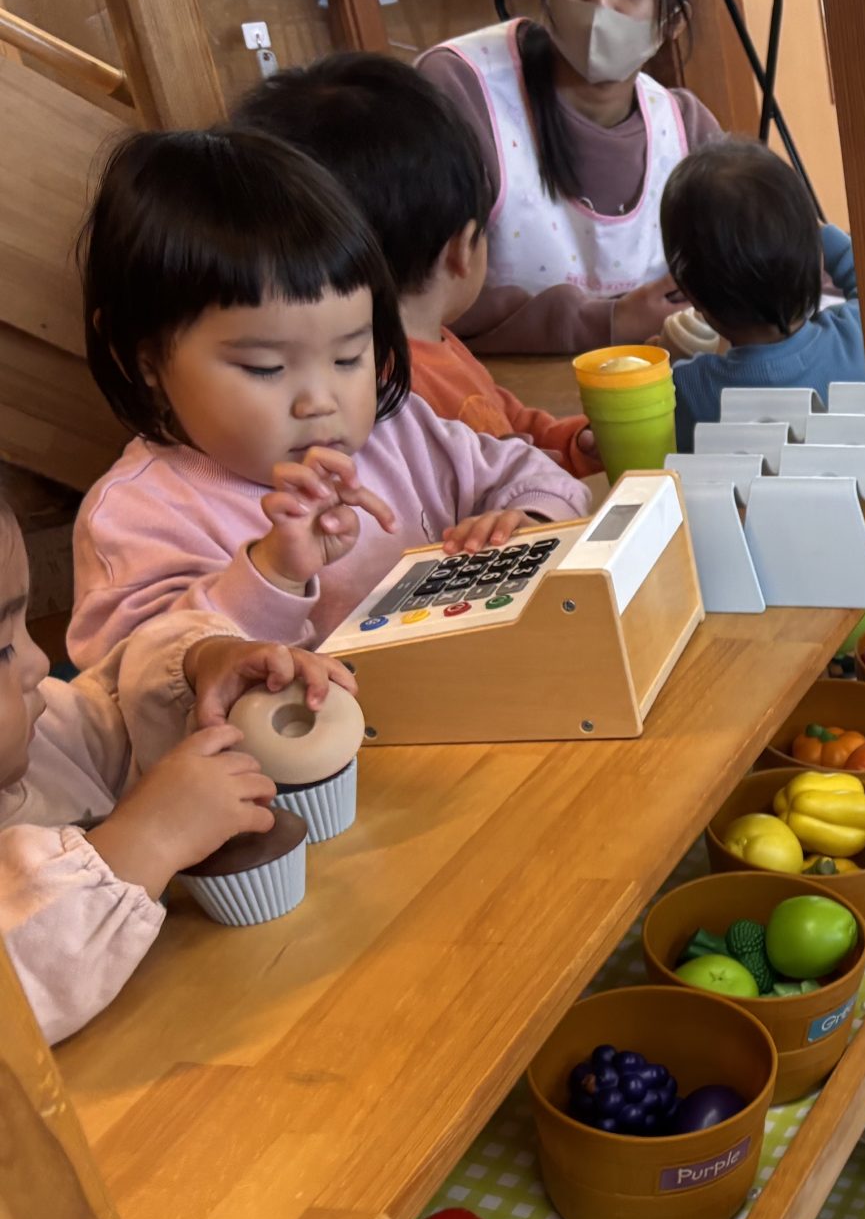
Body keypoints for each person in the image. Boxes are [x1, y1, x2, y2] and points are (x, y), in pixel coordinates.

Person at [68, 128, 592, 671]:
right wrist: (273, 573)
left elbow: (534, 474)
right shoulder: (138, 516)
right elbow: (144, 682)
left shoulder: (399, 430)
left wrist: (525, 521)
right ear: (143, 360)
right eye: (266, 368)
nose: (320, 402)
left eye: (348, 357)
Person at [0, 505, 354, 1042]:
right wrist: (145, 839)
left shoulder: (45, 736)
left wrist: (200, 664)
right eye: (3, 648)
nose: (38, 663)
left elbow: (117, 711)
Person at [235, 53, 604, 479]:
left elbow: (510, 422)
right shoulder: (383, 393)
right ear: (461, 248)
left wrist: (574, 444)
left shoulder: (437, 343)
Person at [418, 0, 709, 354]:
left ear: (672, 21)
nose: (599, 2)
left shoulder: (686, 130)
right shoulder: (461, 90)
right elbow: (421, 299)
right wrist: (609, 321)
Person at [660, 139, 865, 450]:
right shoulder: (859, 337)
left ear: (691, 294)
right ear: (817, 258)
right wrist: (819, 235)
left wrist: (661, 363)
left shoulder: (687, 391)